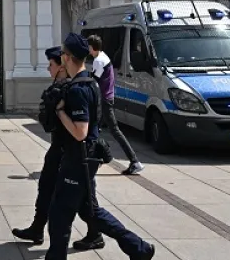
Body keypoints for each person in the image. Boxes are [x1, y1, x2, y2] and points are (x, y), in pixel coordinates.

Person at [45, 33, 155, 260]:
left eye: (63, 54)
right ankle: (138, 247)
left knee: (59, 216)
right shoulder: (90, 82)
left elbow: (80, 132)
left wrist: (59, 111)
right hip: (86, 157)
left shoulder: (78, 89)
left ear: (68, 57)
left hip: (78, 159)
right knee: (90, 211)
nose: (62, 57)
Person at [12, 46, 74, 245]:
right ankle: (37, 229)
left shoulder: (71, 89)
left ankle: (127, 241)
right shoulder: (62, 87)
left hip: (68, 150)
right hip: (59, 147)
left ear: (61, 67)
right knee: (47, 187)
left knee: (85, 202)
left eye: (51, 65)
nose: (48, 69)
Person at [87, 35, 144, 177]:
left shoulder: (98, 61)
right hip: (107, 98)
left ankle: (134, 161)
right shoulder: (103, 56)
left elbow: (94, 81)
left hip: (104, 100)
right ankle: (96, 158)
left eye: (88, 47)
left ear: (91, 47)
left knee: (114, 130)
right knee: (95, 130)